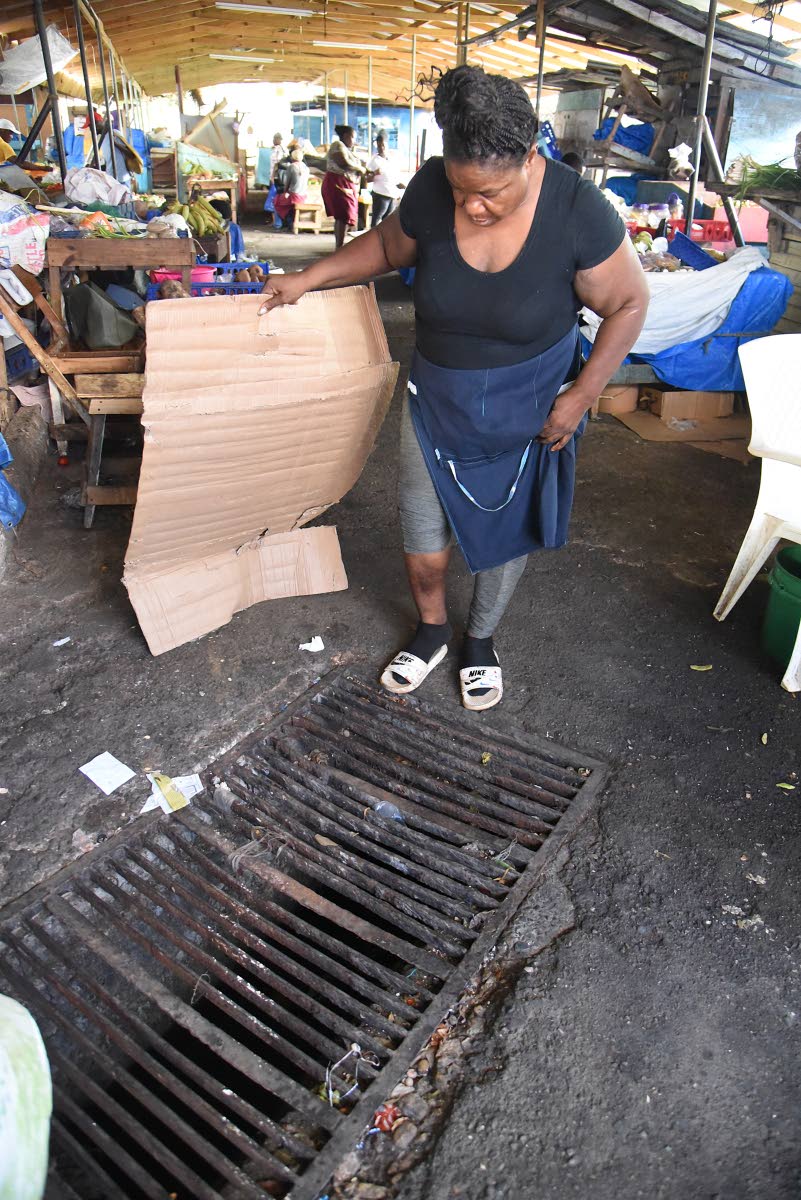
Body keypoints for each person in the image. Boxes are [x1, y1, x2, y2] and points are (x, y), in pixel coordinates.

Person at [259, 65, 647, 711]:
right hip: (435, 395)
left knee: (500, 530)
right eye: (462, 189)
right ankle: (432, 629)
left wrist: (579, 396)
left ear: (530, 156)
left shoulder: (579, 209)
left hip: (528, 403)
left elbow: (629, 303)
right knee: (421, 526)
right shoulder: (434, 189)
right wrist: (310, 276)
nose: (472, 206)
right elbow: (388, 246)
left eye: (490, 192)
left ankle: (481, 641)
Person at [321, 124, 365, 249]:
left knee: (344, 215)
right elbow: (343, 162)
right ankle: (339, 247)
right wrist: (360, 168)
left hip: (346, 184)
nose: (354, 141)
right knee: (343, 214)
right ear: (346, 136)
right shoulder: (337, 145)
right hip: (338, 183)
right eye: (352, 137)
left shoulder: (347, 149)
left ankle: (340, 246)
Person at [366, 131, 403, 226]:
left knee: (388, 221)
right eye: (378, 146)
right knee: (376, 219)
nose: (381, 148)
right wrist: (374, 173)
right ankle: (373, 240)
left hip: (391, 194)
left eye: (383, 145)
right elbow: (367, 179)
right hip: (380, 194)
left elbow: (394, 177)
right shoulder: (374, 160)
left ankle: (385, 240)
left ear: (387, 144)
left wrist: (402, 187)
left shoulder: (391, 159)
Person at [273, 148, 310, 233]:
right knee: (288, 206)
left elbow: (287, 183)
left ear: (292, 158)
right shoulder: (306, 168)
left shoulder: (291, 167)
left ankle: (284, 224)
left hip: (294, 196)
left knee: (276, 201)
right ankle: (290, 223)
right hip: (303, 196)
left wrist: (285, 192)